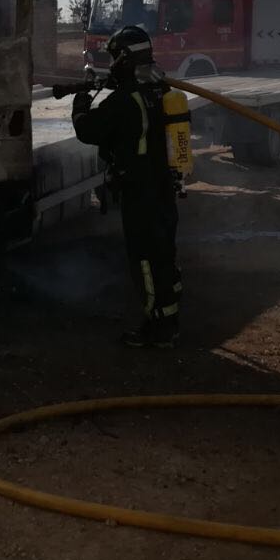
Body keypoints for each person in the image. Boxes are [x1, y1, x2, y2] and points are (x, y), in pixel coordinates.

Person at [72, 24, 182, 348]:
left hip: (139, 192)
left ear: (123, 58)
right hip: (163, 189)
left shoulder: (124, 100)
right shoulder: (160, 90)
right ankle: (171, 316)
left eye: (114, 58)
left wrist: (80, 105)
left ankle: (157, 328)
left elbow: (89, 131)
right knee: (164, 254)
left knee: (145, 259)